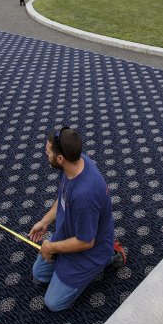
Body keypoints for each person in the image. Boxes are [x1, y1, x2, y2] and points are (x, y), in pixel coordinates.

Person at [29, 127, 125, 311]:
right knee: (39, 274)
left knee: (53, 303)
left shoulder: (85, 195)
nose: (45, 154)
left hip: (89, 250)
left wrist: (50, 246)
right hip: (70, 233)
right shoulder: (76, 163)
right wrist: (45, 221)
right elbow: (63, 198)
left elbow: (86, 242)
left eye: (47, 152)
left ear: (60, 159)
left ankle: (109, 254)